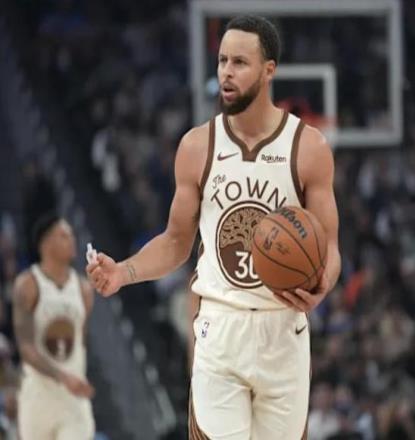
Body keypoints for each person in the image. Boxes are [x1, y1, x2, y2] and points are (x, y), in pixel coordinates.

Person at [87, 15, 341, 440]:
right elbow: (175, 242)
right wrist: (123, 272)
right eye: (222, 60)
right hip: (221, 327)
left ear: (269, 70)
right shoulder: (197, 146)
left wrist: (322, 283)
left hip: (284, 328)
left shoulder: (308, 147)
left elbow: (329, 246)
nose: (226, 71)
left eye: (239, 62)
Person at [13, 213, 95, 440]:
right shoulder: (28, 285)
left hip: (73, 399)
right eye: (64, 236)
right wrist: (61, 376)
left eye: (71, 235)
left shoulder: (84, 289)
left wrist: (75, 377)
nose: (72, 240)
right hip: (39, 397)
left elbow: (80, 344)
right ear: (45, 244)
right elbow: (26, 348)